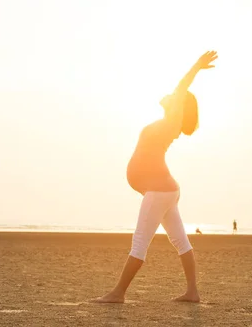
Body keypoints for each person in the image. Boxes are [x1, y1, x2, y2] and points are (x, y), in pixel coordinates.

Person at [92, 51, 219, 304]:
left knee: (140, 243)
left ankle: (118, 293)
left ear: (178, 105)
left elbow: (181, 87)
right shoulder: (165, 122)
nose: (170, 94)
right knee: (180, 241)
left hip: (160, 191)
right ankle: (192, 292)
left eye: (174, 96)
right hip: (166, 190)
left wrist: (195, 66)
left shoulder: (172, 122)